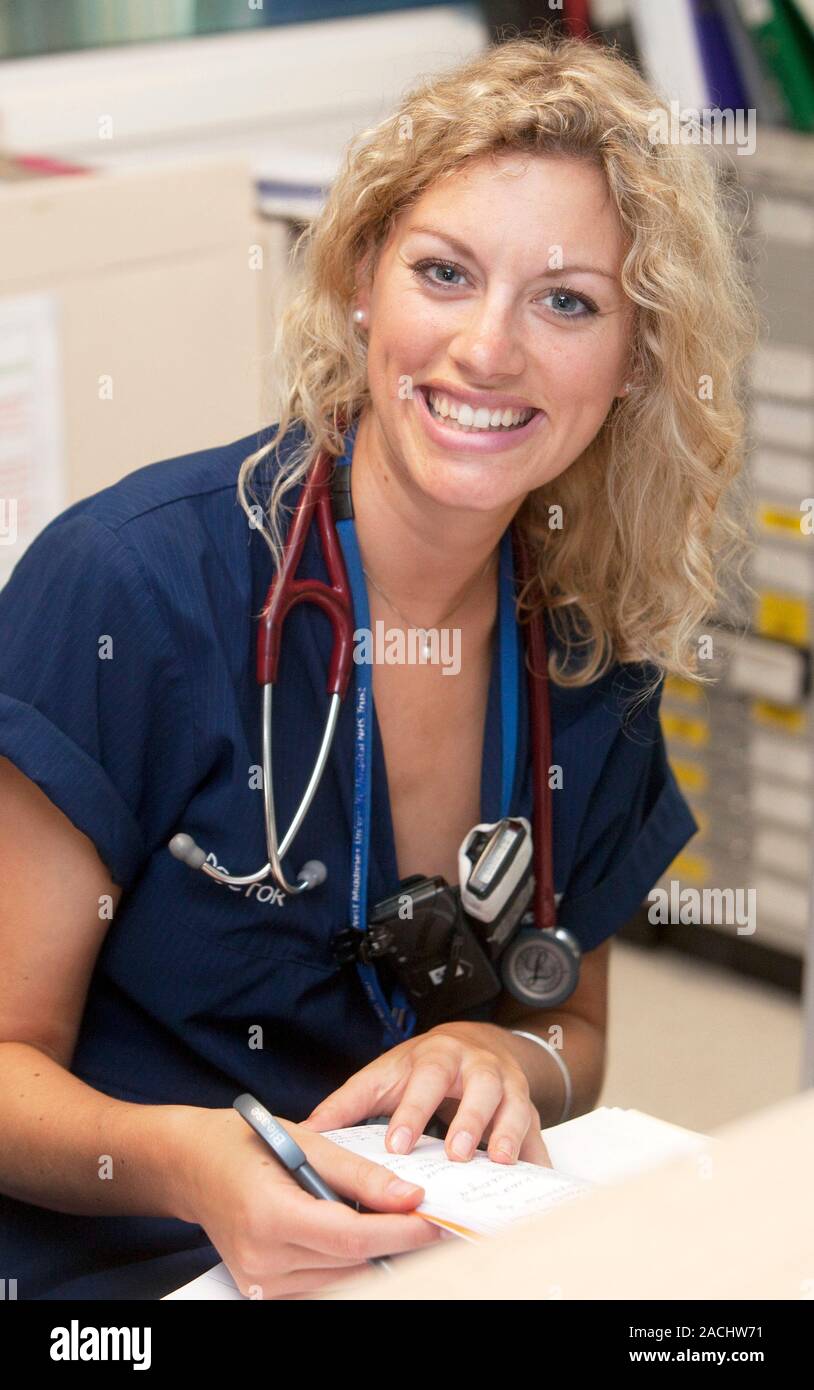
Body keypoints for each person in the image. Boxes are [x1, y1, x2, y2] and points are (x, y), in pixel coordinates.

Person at [0, 32, 757, 1300]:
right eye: (444, 274)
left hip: (410, 1259)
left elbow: (574, 1035)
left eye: (566, 300)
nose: (488, 350)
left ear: (634, 362)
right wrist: (190, 1165)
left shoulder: (591, 646)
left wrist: (502, 1060)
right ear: (361, 282)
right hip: (117, 1282)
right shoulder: (131, 591)